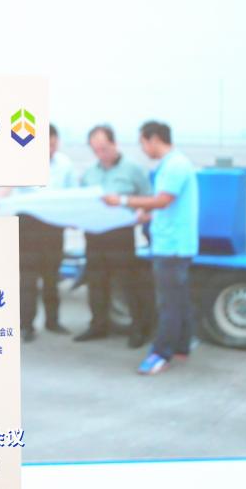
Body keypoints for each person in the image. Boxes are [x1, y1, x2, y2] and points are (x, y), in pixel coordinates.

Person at [103, 121, 199, 375]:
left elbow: (163, 200)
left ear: (154, 139)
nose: (143, 149)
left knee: (168, 303)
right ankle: (182, 347)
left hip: (171, 246)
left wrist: (122, 200)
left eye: (143, 143)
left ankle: (161, 354)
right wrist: (147, 215)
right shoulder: (172, 164)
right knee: (179, 299)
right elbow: (167, 206)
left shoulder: (174, 165)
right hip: (175, 243)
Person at [75, 125, 154, 348]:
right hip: (94, 234)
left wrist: (141, 214)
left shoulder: (133, 170)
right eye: (95, 150)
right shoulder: (90, 173)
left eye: (104, 148)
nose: (100, 154)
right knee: (96, 283)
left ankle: (138, 328)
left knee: (127, 283)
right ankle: (98, 325)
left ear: (114, 143)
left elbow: (149, 199)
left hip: (121, 235)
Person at [18, 124, 76, 342]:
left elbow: (73, 195)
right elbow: (8, 193)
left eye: (53, 144)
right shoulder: (22, 163)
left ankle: (53, 321)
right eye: (46, 145)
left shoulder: (65, 164)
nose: (50, 149)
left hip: (53, 228)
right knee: (28, 281)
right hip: (28, 229)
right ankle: (26, 325)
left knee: (52, 277)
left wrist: (74, 218)